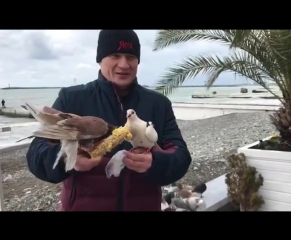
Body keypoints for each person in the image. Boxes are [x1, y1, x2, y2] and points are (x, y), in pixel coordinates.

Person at [26, 30, 192, 211]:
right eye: (115, 55)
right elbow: (36, 154)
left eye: (130, 56)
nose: (124, 64)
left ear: (138, 61)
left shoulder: (158, 104)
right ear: (100, 59)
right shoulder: (72, 99)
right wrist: (68, 157)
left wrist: (155, 163)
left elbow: (181, 157)